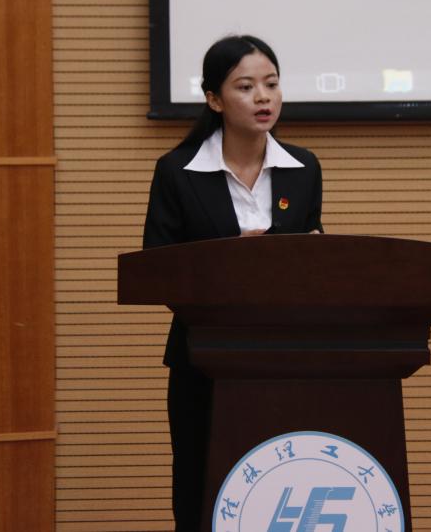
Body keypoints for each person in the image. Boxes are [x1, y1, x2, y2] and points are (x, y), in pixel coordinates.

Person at [142, 34, 323, 530]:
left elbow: (314, 260)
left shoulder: (303, 168)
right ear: (215, 99)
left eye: (272, 84)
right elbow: (157, 268)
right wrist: (231, 254)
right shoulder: (178, 171)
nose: (263, 97)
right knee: (202, 485)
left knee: (281, 488)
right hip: (203, 358)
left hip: (288, 357)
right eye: (245, 87)